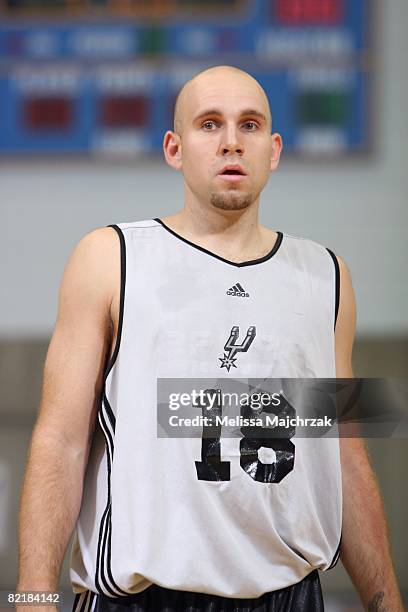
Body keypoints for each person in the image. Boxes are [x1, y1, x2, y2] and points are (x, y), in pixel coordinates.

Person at [17, 65, 404, 612]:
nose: (230, 142)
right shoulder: (110, 257)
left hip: (290, 595)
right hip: (143, 597)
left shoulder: (327, 275)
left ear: (274, 150)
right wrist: (31, 597)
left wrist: (387, 602)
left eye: (249, 126)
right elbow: (61, 439)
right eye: (209, 124)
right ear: (174, 148)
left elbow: (343, 452)